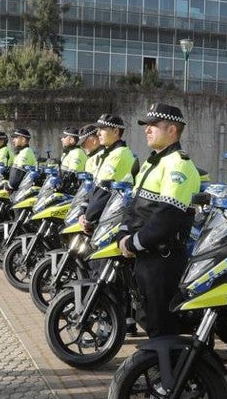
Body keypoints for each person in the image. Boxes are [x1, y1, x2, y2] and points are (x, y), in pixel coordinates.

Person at [117, 104, 201, 337]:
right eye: (146, 125)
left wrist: (133, 243)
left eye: (153, 125)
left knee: (163, 327)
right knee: (151, 322)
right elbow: (133, 207)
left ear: (172, 130)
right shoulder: (152, 162)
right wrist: (123, 233)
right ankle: (159, 368)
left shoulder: (179, 165)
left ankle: (164, 371)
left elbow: (167, 218)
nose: (147, 130)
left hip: (163, 260)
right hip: (146, 256)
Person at [81, 114, 136, 234]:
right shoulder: (109, 154)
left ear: (116, 131)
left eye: (102, 129)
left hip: (114, 220)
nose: (98, 133)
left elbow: (103, 192)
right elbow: (95, 187)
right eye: (98, 130)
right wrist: (83, 211)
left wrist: (89, 219)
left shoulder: (119, 155)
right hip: (106, 216)